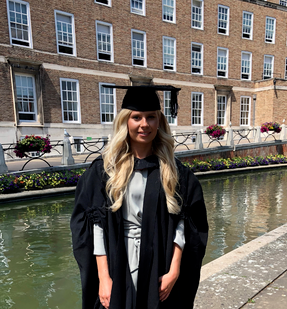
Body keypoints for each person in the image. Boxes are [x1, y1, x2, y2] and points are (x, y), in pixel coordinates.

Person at [70, 85, 208, 309]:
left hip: (161, 260)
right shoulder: (104, 171)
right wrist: (103, 278)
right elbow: (95, 226)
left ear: (159, 122)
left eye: (151, 117)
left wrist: (175, 270)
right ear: (125, 121)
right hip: (118, 258)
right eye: (137, 117)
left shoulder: (175, 171)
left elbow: (185, 224)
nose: (144, 124)